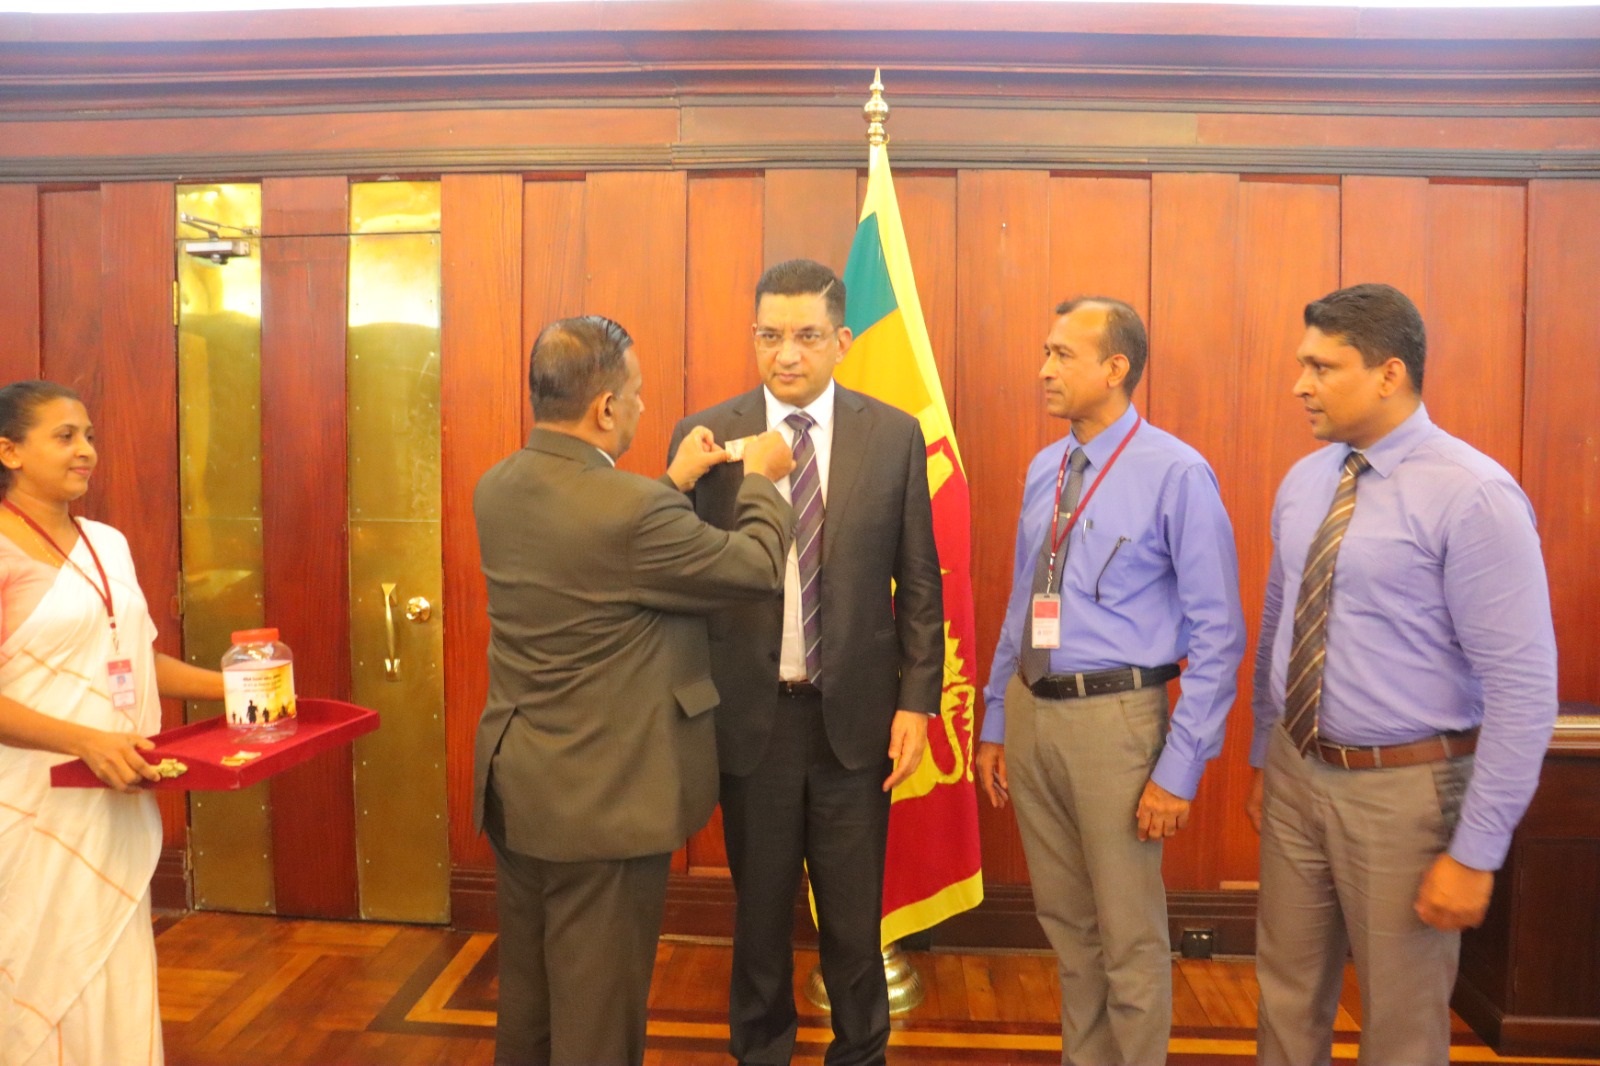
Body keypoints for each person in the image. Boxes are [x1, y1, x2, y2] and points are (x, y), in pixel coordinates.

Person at [472, 315, 795, 1066]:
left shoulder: (502, 486)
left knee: (531, 1005)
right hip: (605, 805)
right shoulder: (629, 512)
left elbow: (602, 545)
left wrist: (675, 481)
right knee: (600, 1027)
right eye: (638, 395)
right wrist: (764, 482)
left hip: (523, 791)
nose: (646, 408)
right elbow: (750, 568)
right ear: (605, 410)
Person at [1249, 283, 1558, 1066]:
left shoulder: (1473, 495)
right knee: (1285, 995)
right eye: (1301, 364)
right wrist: (1265, 754)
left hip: (1407, 797)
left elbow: (1524, 693)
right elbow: (1280, 627)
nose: (1300, 385)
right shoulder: (1305, 480)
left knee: (1400, 1026)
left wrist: (1477, 851)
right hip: (1296, 776)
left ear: (1390, 374)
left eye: (1323, 367)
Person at [668, 259, 944, 1065]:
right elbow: (672, 567)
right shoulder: (709, 436)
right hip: (751, 720)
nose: (786, 354)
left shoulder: (891, 434)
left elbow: (919, 582)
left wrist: (917, 704)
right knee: (758, 925)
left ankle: (860, 1055)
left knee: (855, 928)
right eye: (769, 335)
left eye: (806, 336)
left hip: (856, 722)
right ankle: (762, 1054)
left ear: (842, 340)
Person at [975, 298, 1246, 1066]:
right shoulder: (1044, 467)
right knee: (1068, 928)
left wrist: (1179, 768)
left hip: (1118, 725)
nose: (1044, 370)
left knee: (1128, 937)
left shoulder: (1177, 473)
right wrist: (996, 720)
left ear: (1115, 367)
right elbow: (1024, 603)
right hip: (1033, 718)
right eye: (1046, 352)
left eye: (1062, 354)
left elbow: (1219, 637)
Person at [0, 380, 226, 1066]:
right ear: (8, 450)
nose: (86, 451)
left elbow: (134, 660)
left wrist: (237, 687)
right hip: (29, 805)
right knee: (34, 987)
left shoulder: (108, 542)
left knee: (109, 970)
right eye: (64, 437)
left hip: (114, 799)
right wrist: (84, 742)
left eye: (89, 435)